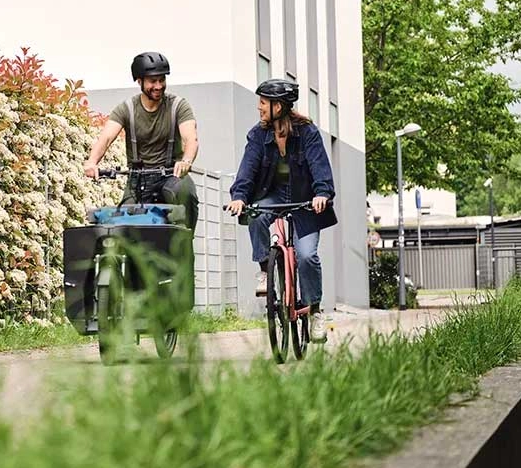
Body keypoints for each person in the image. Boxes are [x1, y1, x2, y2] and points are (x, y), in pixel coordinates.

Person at [226, 78, 337, 342]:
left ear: (279, 106)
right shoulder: (257, 135)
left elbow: (319, 166)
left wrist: (322, 193)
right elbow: (248, 169)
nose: (259, 107)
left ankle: (315, 312)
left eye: (263, 102)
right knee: (255, 215)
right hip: (272, 196)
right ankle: (266, 270)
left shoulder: (307, 132)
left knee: (308, 256)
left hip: (305, 202)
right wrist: (239, 196)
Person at [84, 52, 200, 231]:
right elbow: (106, 138)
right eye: (152, 81)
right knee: (124, 225)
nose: (158, 86)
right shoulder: (127, 109)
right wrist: (92, 162)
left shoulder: (178, 106)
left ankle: (185, 242)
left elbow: (190, 138)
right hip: (138, 180)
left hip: (171, 175)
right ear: (139, 81)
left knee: (186, 193)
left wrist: (186, 161)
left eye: (162, 80)